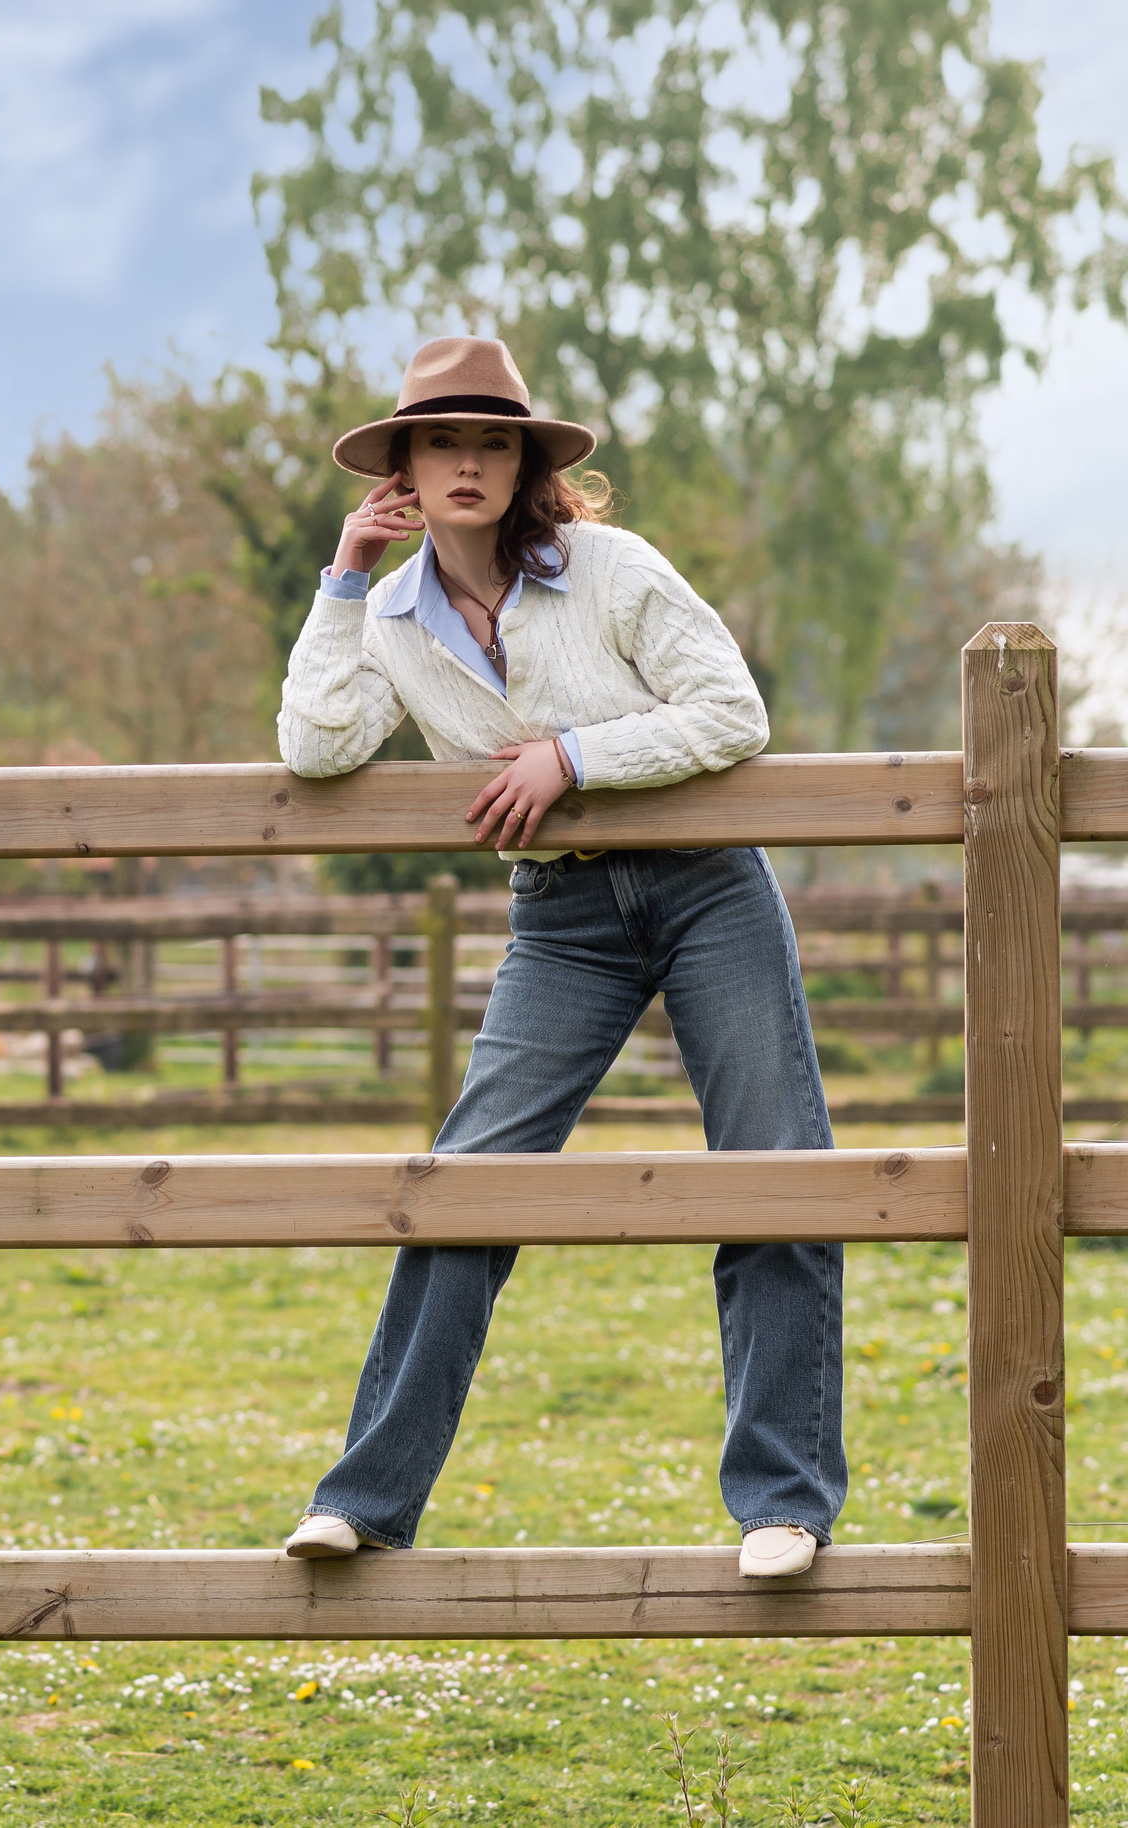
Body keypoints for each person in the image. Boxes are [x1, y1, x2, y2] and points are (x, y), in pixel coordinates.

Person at [274, 336, 840, 1580]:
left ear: (525, 461)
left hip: (706, 886)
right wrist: (342, 578)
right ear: (403, 468)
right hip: (561, 915)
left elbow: (731, 712)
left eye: (492, 441)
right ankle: (364, 1496)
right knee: (463, 1183)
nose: (467, 462)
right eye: (441, 441)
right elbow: (316, 750)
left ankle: (782, 1503)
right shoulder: (391, 615)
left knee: (776, 1168)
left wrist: (571, 758)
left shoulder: (611, 568)